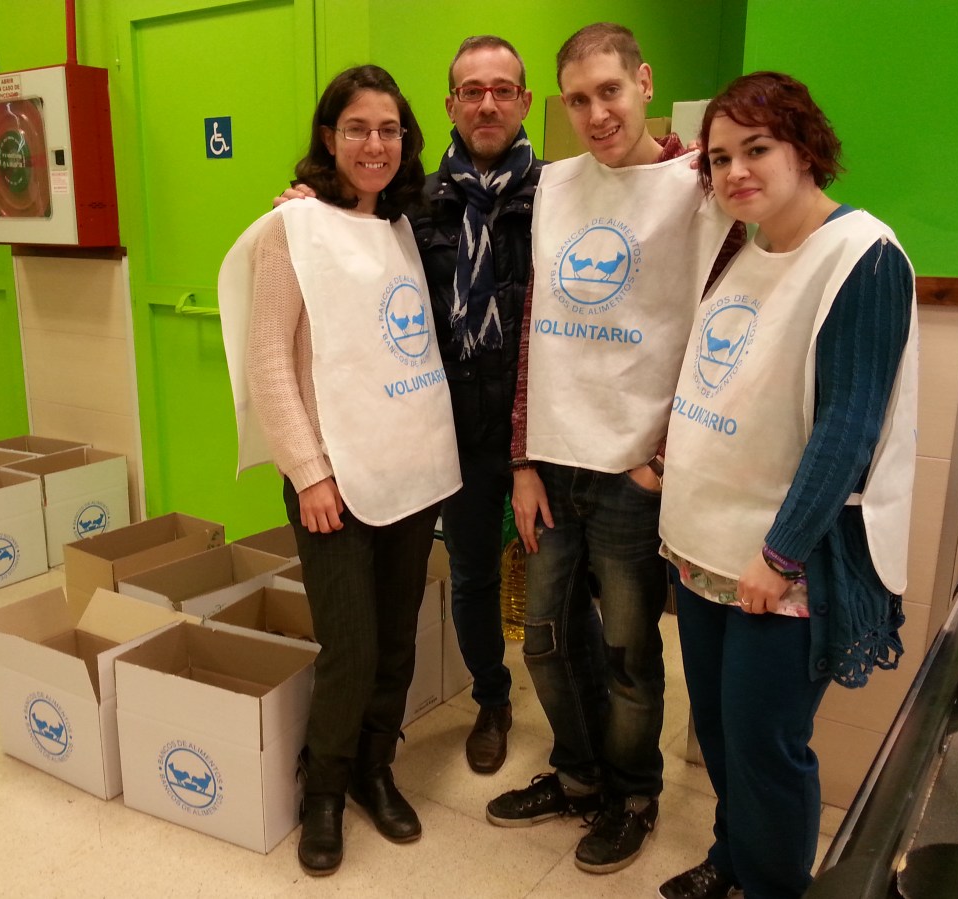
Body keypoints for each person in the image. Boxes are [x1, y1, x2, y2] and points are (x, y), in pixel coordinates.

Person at [657, 71, 917, 899]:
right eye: (719, 157)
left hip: (784, 561)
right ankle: (733, 858)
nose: (735, 171)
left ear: (804, 148)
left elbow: (849, 425)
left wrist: (780, 553)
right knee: (721, 731)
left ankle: (774, 887)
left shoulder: (861, 256)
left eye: (757, 148)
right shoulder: (745, 248)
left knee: (767, 742)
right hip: (703, 544)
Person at [488, 22, 738, 876]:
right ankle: (579, 773)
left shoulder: (698, 189)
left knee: (630, 651)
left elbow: (721, 333)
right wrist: (522, 459)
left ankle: (632, 793)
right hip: (555, 462)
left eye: (610, 91)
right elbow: (536, 331)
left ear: (644, 81)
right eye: (578, 99)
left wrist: (661, 456)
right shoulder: (557, 187)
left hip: (633, 470)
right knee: (545, 639)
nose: (596, 114)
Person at [218, 65, 461, 877]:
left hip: (405, 470)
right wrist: (309, 471)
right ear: (329, 137)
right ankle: (322, 788)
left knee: (395, 641)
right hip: (333, 482)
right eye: (357, 128)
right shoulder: (293, 230)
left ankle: (373, 768)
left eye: (389, 130)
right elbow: (267, 361)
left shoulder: (399, 226)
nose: (374, 144)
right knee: (350, 648)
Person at [279, 35, 543, 775]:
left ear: (524, 101)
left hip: (538, 433)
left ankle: (578, 741)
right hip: (447, 434)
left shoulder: (559, 197)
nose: (487, 103)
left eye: (502, 89)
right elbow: (355, 260)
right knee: (472, 577)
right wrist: (312, 207)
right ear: (450, 104)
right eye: (471, 91)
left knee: (560, 588)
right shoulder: (413, 205)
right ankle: (491, 700)